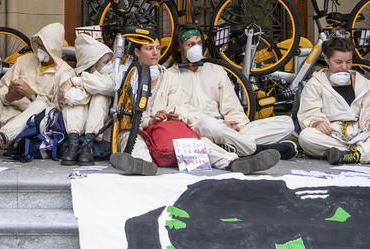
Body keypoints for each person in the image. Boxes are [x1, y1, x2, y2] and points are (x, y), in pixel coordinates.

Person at [110, 30, 281, 176]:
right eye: (149, 49)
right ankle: (143, 166)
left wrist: (173, 116)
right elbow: (126, 115)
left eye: (157, 48)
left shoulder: (168, 77)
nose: (155, 53)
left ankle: (234, 162)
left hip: (165, 129)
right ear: (137, 53)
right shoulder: (127, 77)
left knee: (198, 142)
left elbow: (179, 106)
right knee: (131, 141)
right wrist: (150, 120)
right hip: (138, 130)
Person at [167, 23, 297, 160]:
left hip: (226, 129)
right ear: (179, 47)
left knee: (286, 123)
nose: (196, 48)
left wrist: (236, 124)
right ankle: (256, 149)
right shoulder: (170, 76)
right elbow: (178, 111)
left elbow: (232, 106)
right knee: (208, 125)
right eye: (190, 44)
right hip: (199, 128)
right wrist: (219, 125)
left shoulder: (216, 70)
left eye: (199, 43)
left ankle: (232, 146)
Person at [0, 22, 73, 153]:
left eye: (44, 46)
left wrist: (31, 95)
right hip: (1, 116)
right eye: (38, 44)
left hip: (27, 128)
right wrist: (9, 96)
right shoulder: (24, 60)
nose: (39, 49)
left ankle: (1, 138)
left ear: (53, 48)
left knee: (40, 104)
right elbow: (1, 89)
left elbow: (57, 113)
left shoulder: (65, 72)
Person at [297, 37, 370, 165]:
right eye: (338, 62)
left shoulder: (364, 84)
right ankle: (358, 153)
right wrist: (317, 122)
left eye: (348, 62)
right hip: (332, 134)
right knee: (306, 137)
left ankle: (350, 154)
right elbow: (308, 112)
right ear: (326, 59)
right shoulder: (315, 83)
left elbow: (368, 111)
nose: (344, 67)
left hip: (360, 133)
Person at [59, 34, 116, 165]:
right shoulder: (68, 73)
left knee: (100, 96)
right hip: (73, 130)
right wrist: (92, 88)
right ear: (92, 64)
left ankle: (87, 146)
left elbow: (111, 86)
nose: (110, 65)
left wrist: (77, 82)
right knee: (74, 104)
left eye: (110, 61)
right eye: (106, 62)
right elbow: (71, 97)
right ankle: (73, 146)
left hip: (98, 137)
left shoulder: (111, 75)